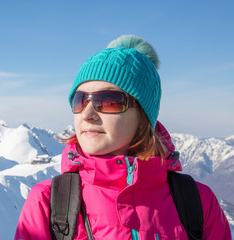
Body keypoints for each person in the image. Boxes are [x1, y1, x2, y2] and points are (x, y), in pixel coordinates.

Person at [14, 35, 232, 239]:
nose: (87, 115)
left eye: (108, 101)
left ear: (143, 116)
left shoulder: (198, 203)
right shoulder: (49, 203)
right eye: (80, 100)